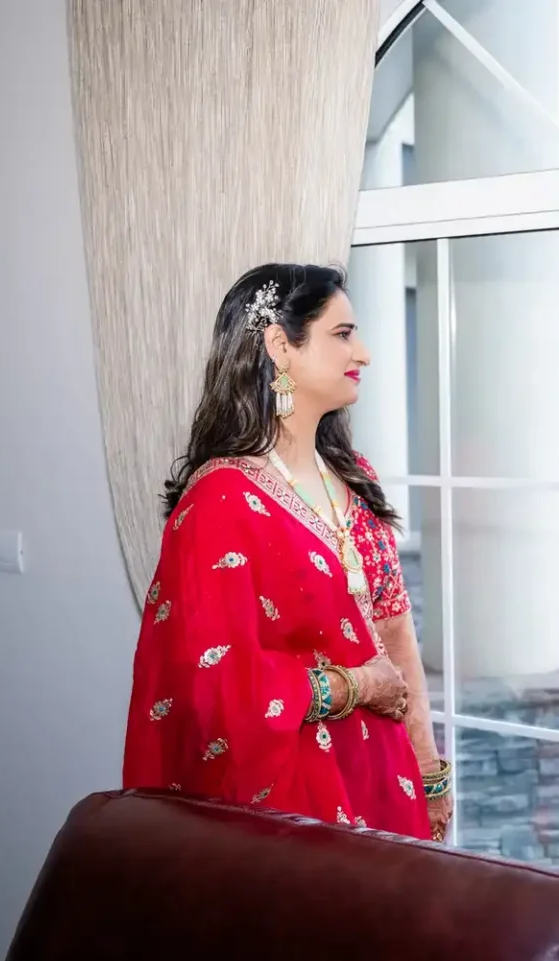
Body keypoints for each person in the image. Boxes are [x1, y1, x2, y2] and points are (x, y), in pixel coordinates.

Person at [122, 262, 453, 842]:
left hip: (379, 778)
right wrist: (356, 686)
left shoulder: (355, 481)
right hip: (285, 803)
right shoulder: (221, 501)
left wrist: (427, 771)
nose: (365, 354)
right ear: (281, 346)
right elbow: (213, 685)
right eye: (343, 334)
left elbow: (394, 631)